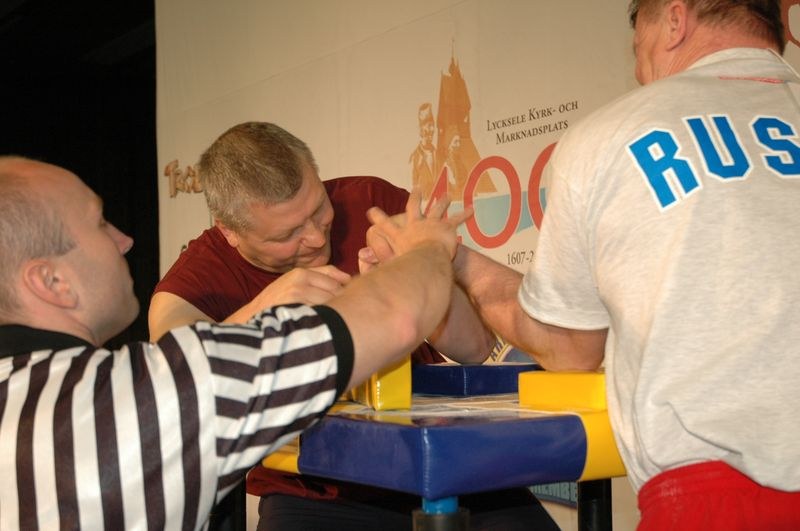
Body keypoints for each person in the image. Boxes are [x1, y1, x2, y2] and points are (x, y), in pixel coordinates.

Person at [366, 1, 800, 529]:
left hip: (727, 499)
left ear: (674, 20)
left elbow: (568, 348)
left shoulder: (615, 134)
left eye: (637, 41)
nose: (638, 67)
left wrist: (451, 258)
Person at [0, 155, 469, 530]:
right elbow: (396, 317)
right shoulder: (149, 395)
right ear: (51, 281)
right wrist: (428, 246)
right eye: (99, 223)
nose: (124, 240)